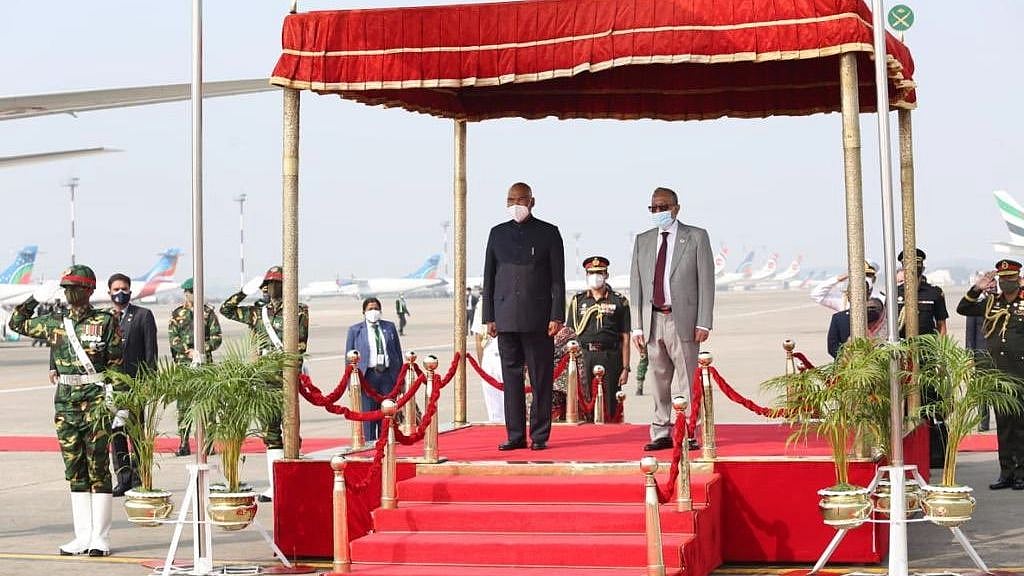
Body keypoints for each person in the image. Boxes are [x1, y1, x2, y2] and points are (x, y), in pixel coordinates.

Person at [8, 265, 122, 556]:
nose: (70, 292)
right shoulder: (54, 322)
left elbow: (117, 365)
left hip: (96, 401)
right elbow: (16, 323)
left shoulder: (105, 321)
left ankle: (101, 537)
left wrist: (119, 404)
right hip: (66, 403)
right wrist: (34, 297)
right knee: (75, 470)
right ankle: (82, 536)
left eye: (75, 287)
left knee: (98, 469)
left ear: (88, 291)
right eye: (66, 287)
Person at [630, 186, 715, 451]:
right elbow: (637, 286)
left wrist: (704, 321)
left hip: (684, 319)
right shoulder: (643, 240)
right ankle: (660, 430)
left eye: (663, 207)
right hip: (653, 318)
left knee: (687, 378)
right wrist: (637, 326)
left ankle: (689, 430)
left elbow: (706, 282)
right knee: (658, 378)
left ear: (676, 208)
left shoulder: (696, 237)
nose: (658, 212)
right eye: (653, 208)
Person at [483, 182, 565, 451]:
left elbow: (557, 280)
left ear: (532, 201)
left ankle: (539, 435)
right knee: (512, 380)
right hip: (505, 318)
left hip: (539, 319)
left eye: (521, 199)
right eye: (511, 200)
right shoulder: (497, 234)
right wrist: (489, 317)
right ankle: (515, 434)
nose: (516, 204)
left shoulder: (548, 233)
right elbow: (489, 278)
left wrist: (557, 315)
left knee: (541, 379)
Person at [221, 266, 309, 502]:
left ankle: (292, 481)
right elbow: (226, 310)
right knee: (270, 435)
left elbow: (300, 346)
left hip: (285, 381)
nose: (273, 288)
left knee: (291, 432)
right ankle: (274, 485)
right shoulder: (258, 314)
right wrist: (243, 292)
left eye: (277, 283)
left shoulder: (298, 311)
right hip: (264, 382)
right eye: (270, 284)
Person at [957, 260, 1024, 490]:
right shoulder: (991, 303)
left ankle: (1022, 473)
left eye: (1010, 279)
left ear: (1018, 279)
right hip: (998, 374)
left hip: (1020, 374)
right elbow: (963, 309)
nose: (1006, 283)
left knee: (1021, 425)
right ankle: (1006, 472)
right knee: (1004, 426)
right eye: (1003, 279)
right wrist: (977, 289)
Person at [106, 272, 158, 498]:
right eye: (116, 289)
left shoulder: (142, 316)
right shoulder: (104, 318)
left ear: (130, 290)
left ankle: (139, 477)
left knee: (136, 434)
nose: (120, 292)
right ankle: (123, 478)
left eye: (124, 288)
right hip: (111, 388)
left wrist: (148, 383)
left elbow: (150, 352)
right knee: (115, 434)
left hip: (135, 386)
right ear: (109, 292)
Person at [567, 256, 631, 421]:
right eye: (591, 273)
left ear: (606, 275)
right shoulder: (577, 301)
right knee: (584, 399)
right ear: (587, 275)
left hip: (609, 356)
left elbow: (625, 337)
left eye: (599, 273)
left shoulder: (619, 301)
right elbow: (570, 334)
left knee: (610, 401)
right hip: (584, 356)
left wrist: (625, 367)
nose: (595, 276)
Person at [168, 278, 222, 456]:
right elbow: (173, 338)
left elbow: (216, 337)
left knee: (208, 407)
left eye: (195, 291)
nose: (192, 294)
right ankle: (183, 443)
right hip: (185, 366)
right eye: (190, 291)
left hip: (205, 365)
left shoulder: (207, 313)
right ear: (185, 293)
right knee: (183, 407)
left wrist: (201, 350)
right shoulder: (177, 314)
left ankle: (208, 443)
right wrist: (187, 351)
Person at [345, 297, 403, 442]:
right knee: (369, 415)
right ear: (364, 311)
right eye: (370, 309)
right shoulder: (355, 330)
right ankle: (370, 446)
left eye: (376, 308)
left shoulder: (389, 327)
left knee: (387, 415)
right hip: (367, 377)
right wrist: (350, 383)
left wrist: (400, 379)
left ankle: (386, 443)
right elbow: (348, 358)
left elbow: (397, 352)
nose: (374, 311)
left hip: (387, 376)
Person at [896, 248, 948, 337]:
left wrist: (940, 348)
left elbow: (941, 325)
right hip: (901, 345)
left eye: (917, 265)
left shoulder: (934, 293)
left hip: (927, 345)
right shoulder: (895, 293)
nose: (913, 269)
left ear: (922, 268)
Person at [966, 272, 994, 432]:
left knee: (999, 390)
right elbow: (970, 332)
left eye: (993, 285)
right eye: (988, 285)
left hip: (998, 355)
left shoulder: (1001, 305)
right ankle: (983, 422)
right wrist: (970, 354)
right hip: (981, 355)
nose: (991, 287)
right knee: (983, 391)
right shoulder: (977, 306)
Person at [810, 261, 880, 312]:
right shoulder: (844, 299)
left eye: (868, 275)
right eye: (858, 275)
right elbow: (816, 295)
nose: (863, 278)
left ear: (874, 279)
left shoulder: (880, 298)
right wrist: (838, 279)